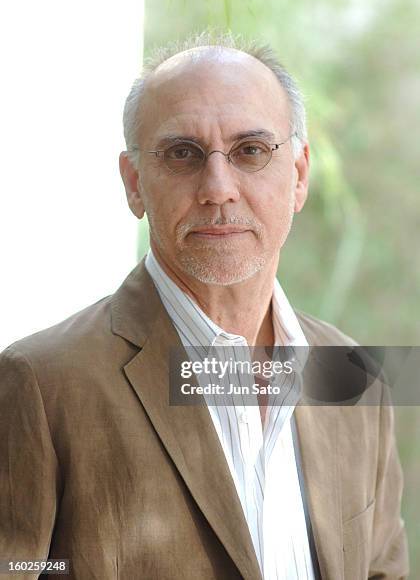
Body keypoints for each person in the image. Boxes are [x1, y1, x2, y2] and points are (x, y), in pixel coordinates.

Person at [0, 33, 409, 579]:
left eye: (251, 151)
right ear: (134, 184)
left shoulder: (354, 374)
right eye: (182, 154)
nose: (218, 188)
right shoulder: (40, 383)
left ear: (300, 175)